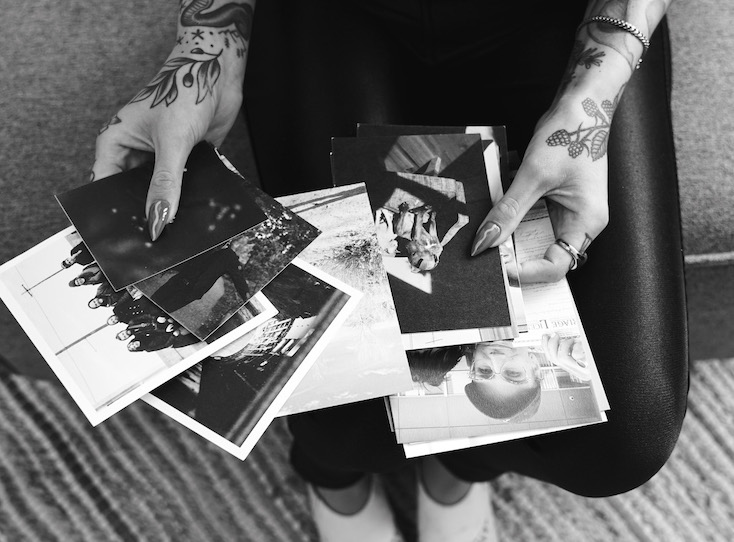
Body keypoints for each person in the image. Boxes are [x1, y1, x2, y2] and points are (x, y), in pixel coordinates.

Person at [92, 1, 688, 541]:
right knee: (339, 400)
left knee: (627, 433)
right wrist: (205, 51)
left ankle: (461, 464)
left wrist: (597, 84)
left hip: (565, 15)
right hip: (333, 15)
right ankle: (333, 476)